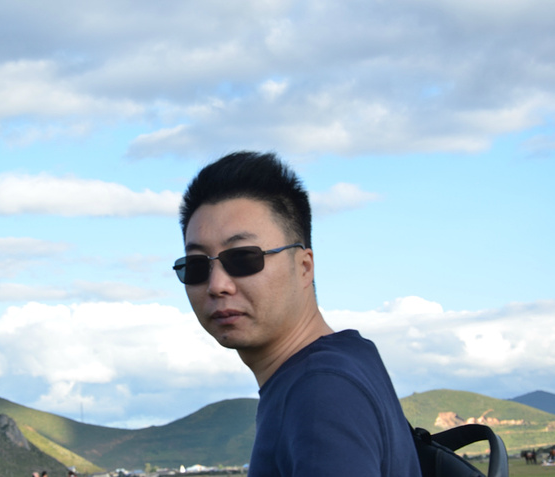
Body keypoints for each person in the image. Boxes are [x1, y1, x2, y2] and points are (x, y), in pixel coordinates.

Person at [173, 151, 420, 476]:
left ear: (304, 267)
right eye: (196, 265)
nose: (217, 285)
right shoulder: (343, 362)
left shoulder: (321, 392)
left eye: (244, 258)